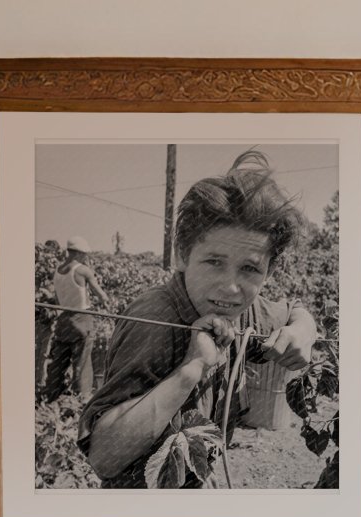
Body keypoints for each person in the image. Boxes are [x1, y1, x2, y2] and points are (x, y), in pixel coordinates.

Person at [78, 150, 318, 488]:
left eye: (250, 268)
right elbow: (104, 457)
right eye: (214, 262)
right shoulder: (155, 321)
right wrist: (190, 370)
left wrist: (304, 327)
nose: (231, 286)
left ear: (269, 272)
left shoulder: (242, 308)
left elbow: (289, 309)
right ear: (182, 256)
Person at [41, 235, 110, 404]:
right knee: (83, 362)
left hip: (63, 321)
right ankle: (82, 399)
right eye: (84, 254)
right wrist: (106, 304)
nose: (85, 257)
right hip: (81, 319)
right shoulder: (83, 270)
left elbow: (58, 300)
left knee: (59, 361)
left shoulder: (57, 271)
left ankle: (51, 396)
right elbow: (101, 296)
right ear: (79, 254)